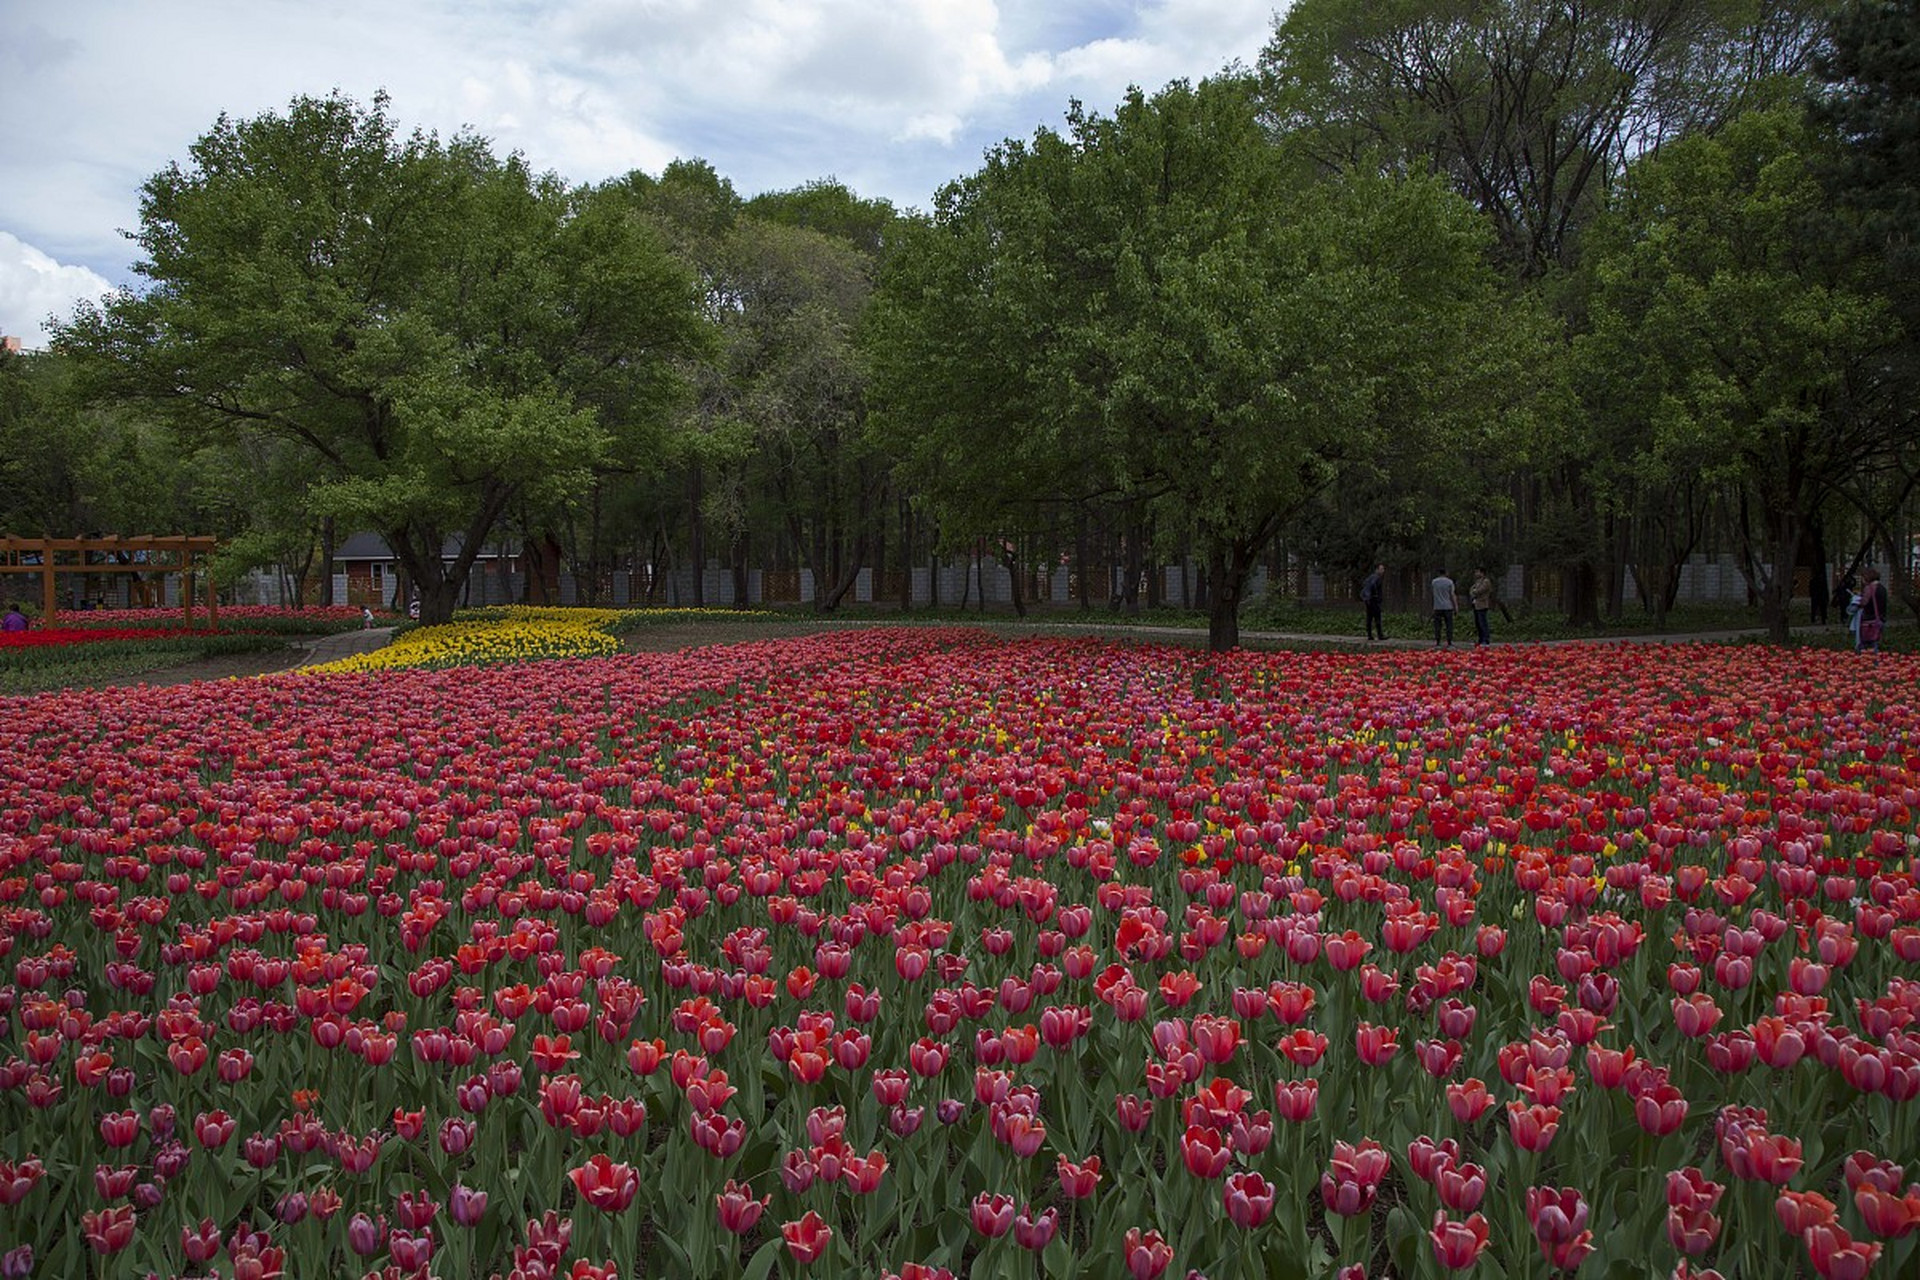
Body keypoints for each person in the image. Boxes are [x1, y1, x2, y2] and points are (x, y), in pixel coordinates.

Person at [1857, 568, 1890, 653]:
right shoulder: (1882, 588)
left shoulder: (1869, 588)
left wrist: (1858, 600)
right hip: (1880, 619)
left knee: (1867, 645)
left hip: (1869, 620)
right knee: (1876, 641)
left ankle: (1868, 658)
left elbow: (1864, 603)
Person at [1431, 569, 1457, 648]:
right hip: (1448, 606)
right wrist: (1455, 606)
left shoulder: (1434, 582)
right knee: (1449, 625)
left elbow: (1433, 593)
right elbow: (1452, 594)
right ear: (1446, 573)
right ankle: (1449, 642)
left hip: (1437, 606)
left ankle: (1438, 642)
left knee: (1437, 625)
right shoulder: (1449, 582)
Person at [1361, 563, 1386, 641]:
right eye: (1381, 569)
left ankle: (1369, 635)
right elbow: (1372, 587)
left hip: (1368, 600)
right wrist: (1376, 596)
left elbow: (1365, 584)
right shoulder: (1377, 578)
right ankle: (1380, 635)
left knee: (1369, 618)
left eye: (1383, 569)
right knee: (1377, 617)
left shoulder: (1370, 577)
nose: (1383, 571)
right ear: (1377, 570)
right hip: (1374, 600)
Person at [1469, 569, 1495, 646]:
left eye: (1477, 572)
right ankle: (1480, 639)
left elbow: (1480, 590)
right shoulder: (1477, 582)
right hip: (1476, 604)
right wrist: (1473, 591)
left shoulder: (1486, 581)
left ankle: (1485, 640)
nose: (1476, 574)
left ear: (1482, 573)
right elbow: (1471, 590)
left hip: (1482, 604)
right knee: (1478, 623)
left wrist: (1474, 591)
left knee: (1483, 623)